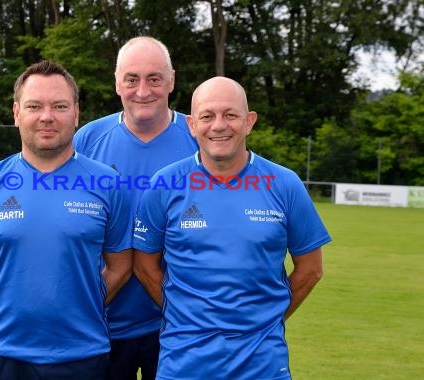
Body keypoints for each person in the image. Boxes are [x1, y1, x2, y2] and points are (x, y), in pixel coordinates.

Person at [0, 60, 133, 380]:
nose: (47, 116)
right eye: (34, 106)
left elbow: (122, 266)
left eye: (59, 105)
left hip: (84, 354)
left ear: (76, 112)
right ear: (17, 113)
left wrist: (83, 307)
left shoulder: (108, 183)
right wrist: (1, 313)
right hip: (3, 355)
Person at [133, 76, 332, 380]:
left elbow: (310, 270)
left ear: (249, 121)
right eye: (207, 116)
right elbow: (143, 265)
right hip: (183, 364)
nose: (219, 125)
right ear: (192, 125)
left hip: (263, 365)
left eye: (230, 115)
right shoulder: (165, 183)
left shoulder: (284, 184)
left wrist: (268, 319)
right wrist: (183, 314)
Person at [73, 36, 198, 380]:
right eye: (132, 79)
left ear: (171, 81)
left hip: (180, 327)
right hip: (104, 324)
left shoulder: (200, 136)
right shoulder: (86, 140)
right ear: (117, 83)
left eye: (154, 78)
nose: (143, 90)